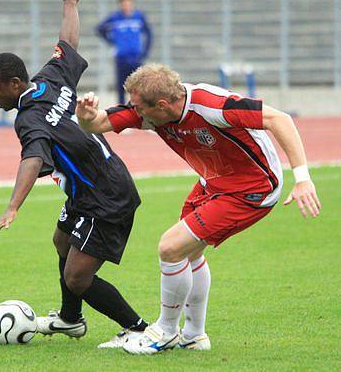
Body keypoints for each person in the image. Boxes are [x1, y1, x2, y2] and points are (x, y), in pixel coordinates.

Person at [76, 63, 322, 354]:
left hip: (253, 188)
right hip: (213, 182)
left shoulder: (212, 106)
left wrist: (303, 178)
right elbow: (97, 124)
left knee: (170, 247)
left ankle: (165, 332)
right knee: (187, 253)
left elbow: (279, 119)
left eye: (139, 107)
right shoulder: (154, 112)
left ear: (163, 104)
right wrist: (86, 117)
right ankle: (193, 335)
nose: (135, 112)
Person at [0, 0, 147, 348]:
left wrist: (12, 208)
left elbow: (34, 157)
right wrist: (70, 1)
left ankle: (140, 329)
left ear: (13, 84)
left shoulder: (27, 119)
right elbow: (68, 43)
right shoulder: (50, 79)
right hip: (90, 188)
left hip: (106, 195)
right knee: (61, 241)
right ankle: (70, 320)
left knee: (77, 277)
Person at [96, 0, 152, 104]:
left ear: (132, 3)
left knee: (138, 87)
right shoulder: (115, 18)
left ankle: (137, 111)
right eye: (124, 2)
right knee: (121, 87)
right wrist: (112, 41)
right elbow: (100, 29)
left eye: (128, 2)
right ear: (120, 4)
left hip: (136, 57)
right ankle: (121, 112)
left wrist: (145, 52)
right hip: (121, 57)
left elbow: (149, 34)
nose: (126, 5)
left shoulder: (139, 17)